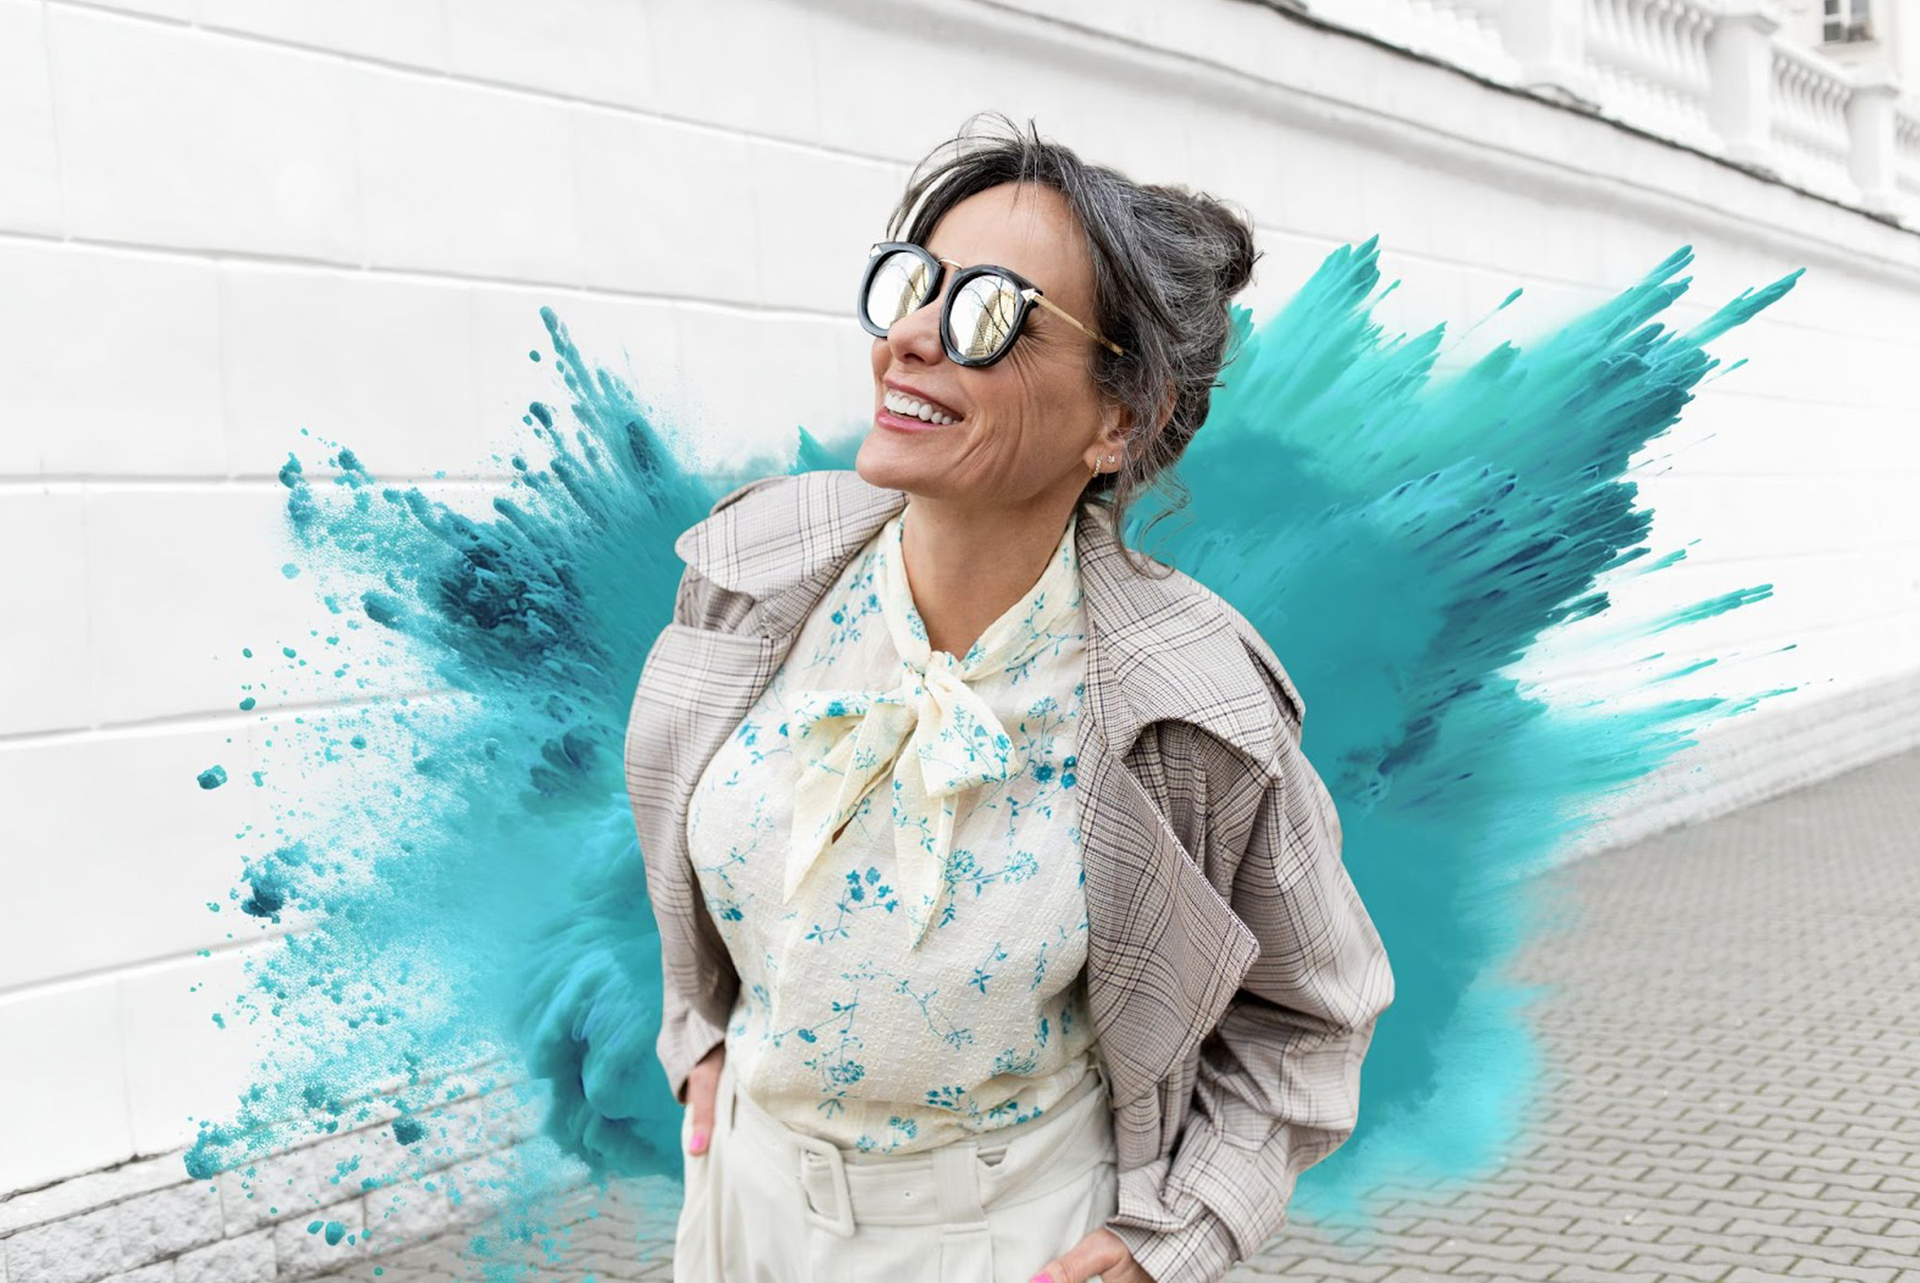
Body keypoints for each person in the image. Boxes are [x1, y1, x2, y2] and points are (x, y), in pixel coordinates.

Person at [623, 111, 1395, 1283]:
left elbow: (1313, 1016)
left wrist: (1175, 1239)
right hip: (741, 1205)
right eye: (914, 287)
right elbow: (682, 824)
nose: (916, 338)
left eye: (991, 313)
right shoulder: (750, 570)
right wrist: (700, 1038)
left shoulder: (1189, 707)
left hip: (1002, 1236)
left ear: (1120, 418)